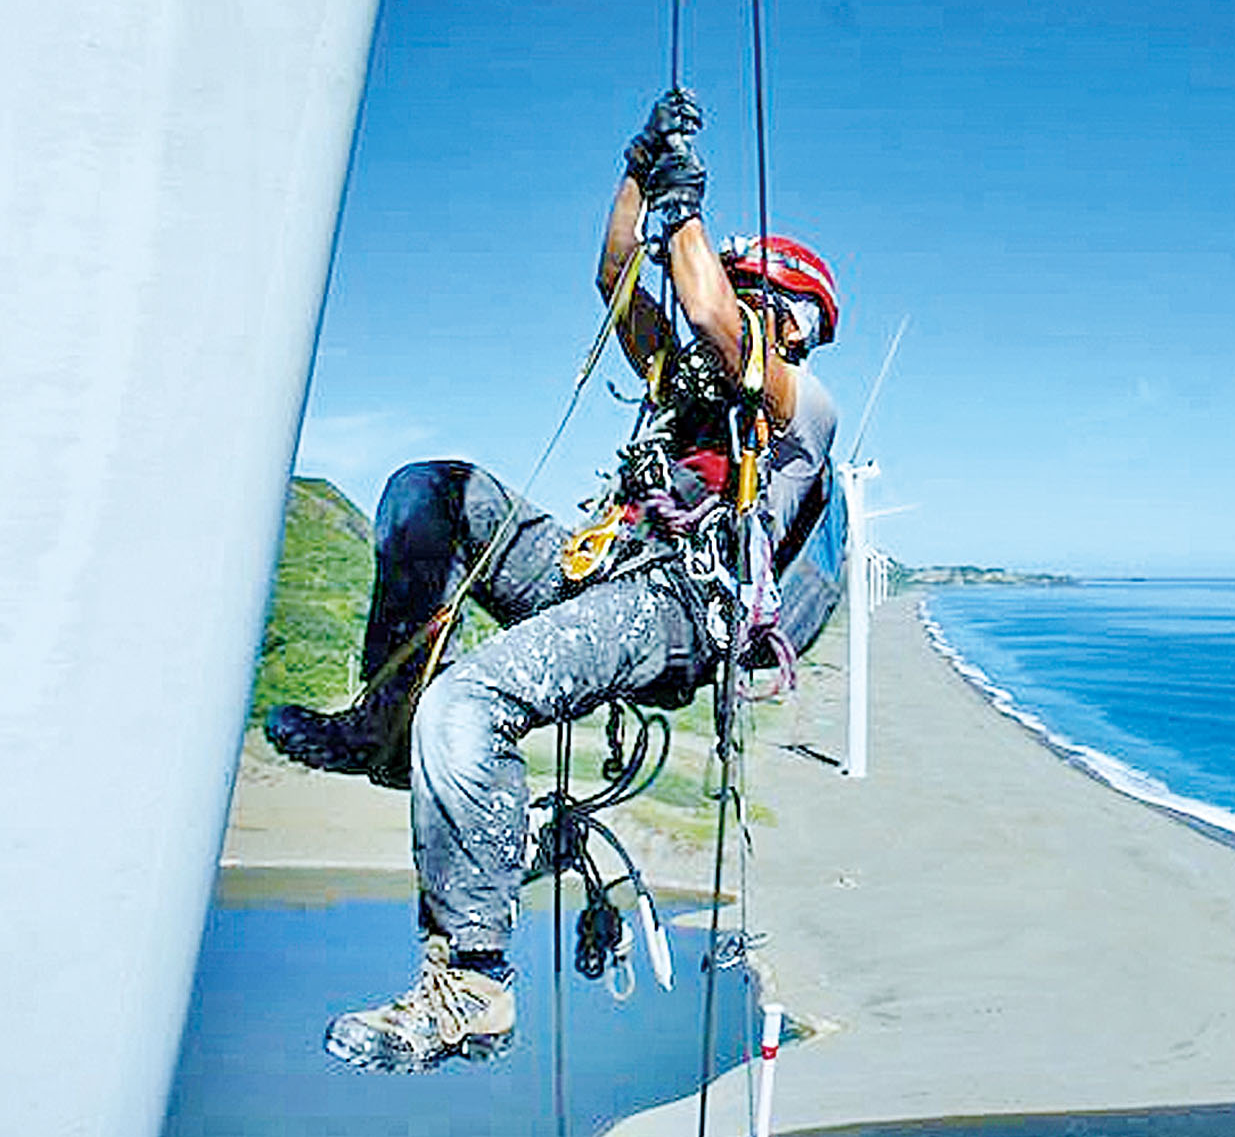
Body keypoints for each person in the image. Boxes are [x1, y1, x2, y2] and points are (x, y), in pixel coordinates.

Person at [262, 89, 841, 1072]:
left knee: (471, 702)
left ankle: (473, 984)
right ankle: (385, 722)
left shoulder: (800, 407)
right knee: (427, 491)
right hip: (599, 571)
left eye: (752, 295)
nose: (727, 305)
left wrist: (683, 208)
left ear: (786, 323)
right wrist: (636, 171)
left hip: (675, 606)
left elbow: (703, 305)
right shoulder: (677, 382)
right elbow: (617, 273)